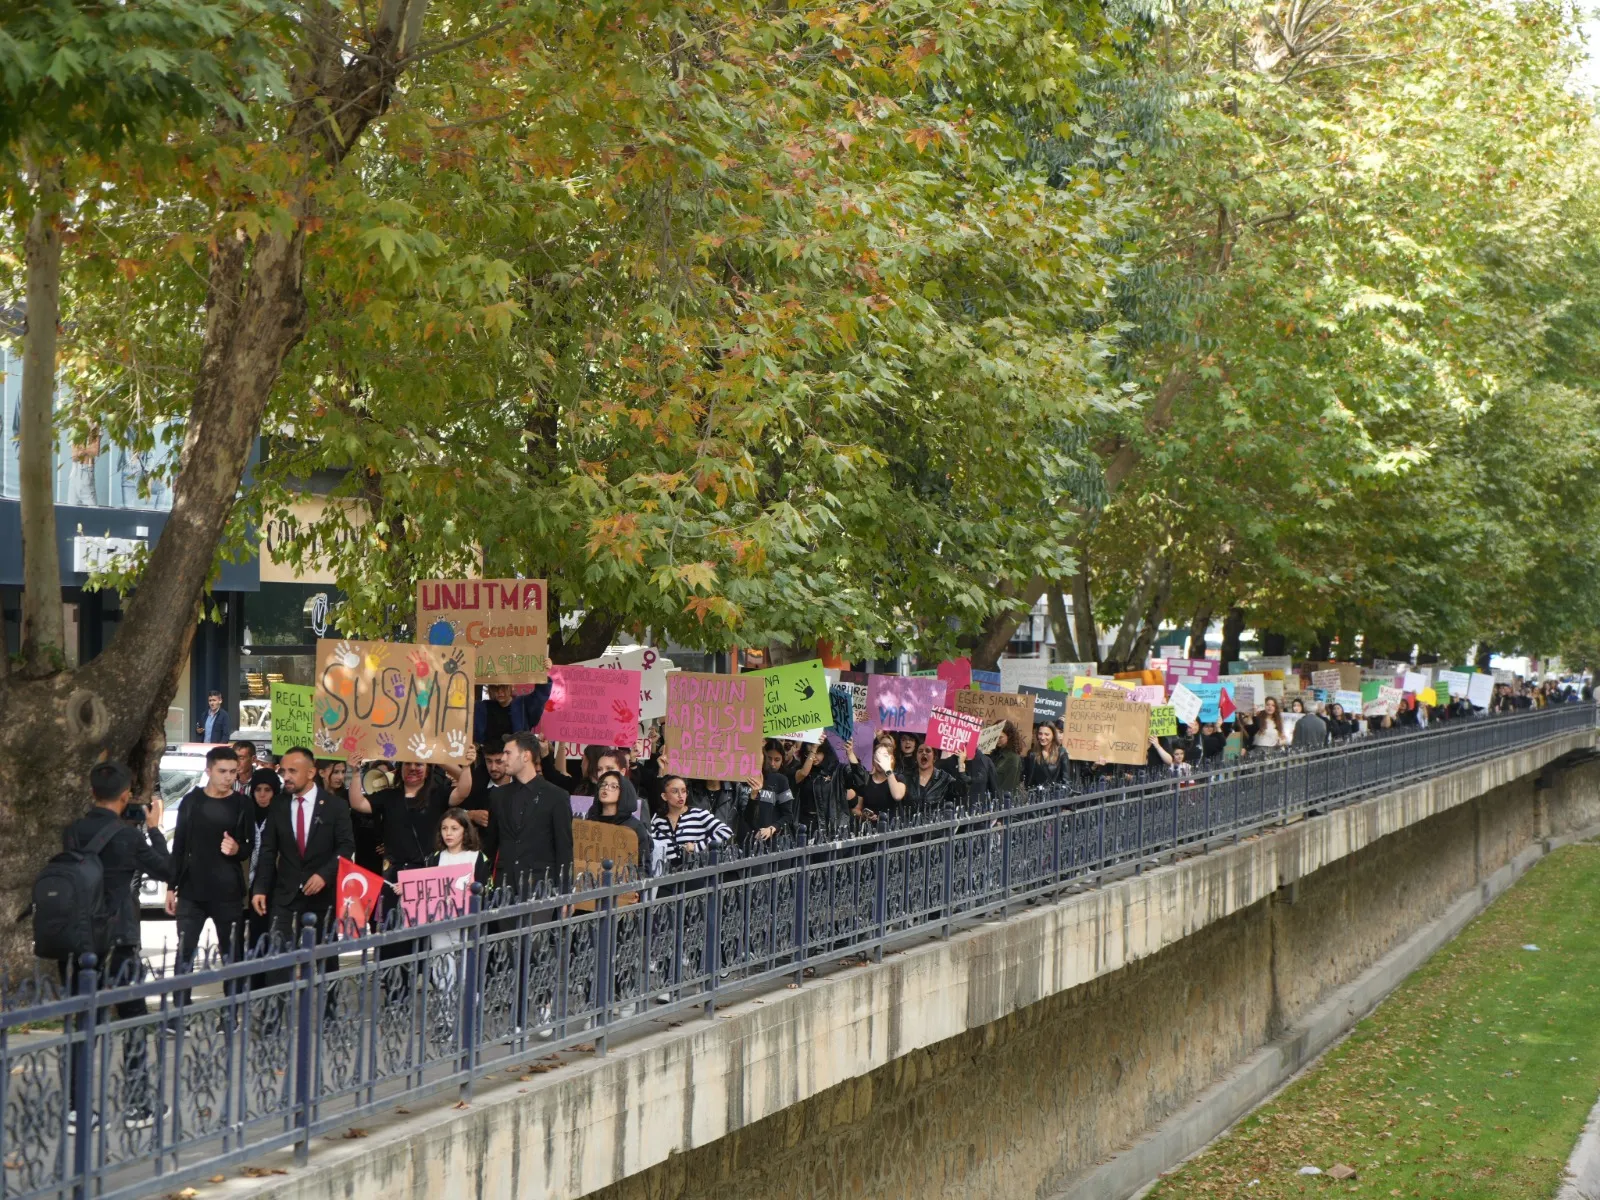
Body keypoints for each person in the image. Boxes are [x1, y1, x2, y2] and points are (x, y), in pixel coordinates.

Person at [58, 762, 172, 1129]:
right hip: (119, 940)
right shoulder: (129, 837)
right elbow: (169, 871)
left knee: (83, 1021)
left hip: (79, 939)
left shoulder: (74, 831)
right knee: (133, 1020)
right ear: (126, 797)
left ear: (92, 793)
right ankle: (138, 1104)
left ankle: (76, 1109)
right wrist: (153, 830)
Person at [249, 746, 356, 948]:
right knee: (279, 957)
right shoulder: (279, 805)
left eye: (292, 771)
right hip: (286, 895)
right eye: (284, 771)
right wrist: (260, 888)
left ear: (310, 773)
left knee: (324, 960)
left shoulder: (335, 807)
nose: (286, 777)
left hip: (322, 897)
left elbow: (346, 847)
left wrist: (324, 875)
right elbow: (268, 850)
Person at [168, 746, 253, 970]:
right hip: (191, 892)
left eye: (233, 772)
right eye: (222, 771)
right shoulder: (191, 801)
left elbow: (250, 846)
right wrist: (170, 887)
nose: (228, 778)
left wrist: (237, 849)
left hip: (228, 893)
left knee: (233, 955)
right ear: (208, 771)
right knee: (184, 954)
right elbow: (178, 846)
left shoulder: (242, 804)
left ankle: (234, 1004)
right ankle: (180, 1004)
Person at [347, 755, 475, 883]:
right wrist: (356, 772)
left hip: (428, 871)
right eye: (407, 764)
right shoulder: (388, 796)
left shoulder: (437, 794)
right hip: (394, 873)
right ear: (400, 769)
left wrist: (450, 761)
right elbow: (357, 803)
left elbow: (463, 790)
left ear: (427, 771)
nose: (412, 768)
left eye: (419, 764)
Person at [481, 732, 574, 898]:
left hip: (541, 888)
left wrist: (566, 894)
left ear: (526, 756)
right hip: (504, 888)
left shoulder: (557, 796)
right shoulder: (498, 796)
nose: (503, 758)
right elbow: (491, 844)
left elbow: (564, 849)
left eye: (508, 753)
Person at [649, 775, 733, 868]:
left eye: (684, 791)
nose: (680, 795)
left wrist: (697, 846)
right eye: (675, 791)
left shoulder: (698, 814)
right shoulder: (657, 821)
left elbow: (726, 831)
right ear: (664, 796)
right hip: (667, 877)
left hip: (695, 873)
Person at [242, 768, 281, 958]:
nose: (263, 795)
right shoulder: (246, 814)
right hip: (247, 881)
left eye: (268, 790)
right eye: (258, 790)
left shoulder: (282, 815)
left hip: (274, 881)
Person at [585, 769, 652, 875]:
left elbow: (643, 866)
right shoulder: (589, 822)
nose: (606, 788)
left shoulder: (635, 827)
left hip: (623, 887)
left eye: (613, 786)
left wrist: (636, 890)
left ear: (624, 793)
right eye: (603, 784)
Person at [854, 733, 907, 822]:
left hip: (892, 829)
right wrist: (863, 816)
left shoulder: (899, 777)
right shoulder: (866, 780)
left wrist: (887, 769)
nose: (880, 761)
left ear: (891, 759)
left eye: (884, 757)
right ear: (873, 760)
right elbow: (856, 809)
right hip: (872, 830)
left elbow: (897, 796)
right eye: (878, 757)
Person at [1024, 723, 1066, 788]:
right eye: (1040, 734)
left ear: (1053, 735)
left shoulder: (1061, 752)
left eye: (1047, 734)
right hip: (1036, 795)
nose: (1043, 737)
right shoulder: (1032, 753)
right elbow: (1029, 779)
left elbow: (1066, 781)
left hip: (1055, 795)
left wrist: (1057, 788)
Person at [990, 723, 1024, 796]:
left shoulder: (1013, 758)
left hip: (1001, 800)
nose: (997, 740)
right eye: (995, 736)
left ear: (1009, 737)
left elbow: (1009, 786)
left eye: (1000, 737)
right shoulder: (994, 753)